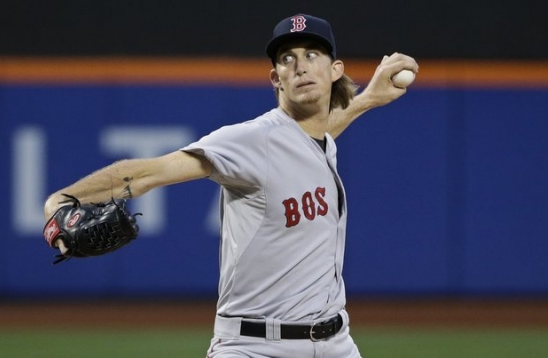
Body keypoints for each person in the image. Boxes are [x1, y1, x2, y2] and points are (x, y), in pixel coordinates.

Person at [44, 13, 418, 358]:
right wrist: (61, 200)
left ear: (335, 69)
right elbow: (149, 172)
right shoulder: (252, 140)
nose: (300, 65)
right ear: (276, 79)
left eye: (312, 54)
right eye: (286, 58)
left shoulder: (314, 140)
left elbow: (314, 136)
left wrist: (367, 99)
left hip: (336, 343)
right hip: (254, 346)